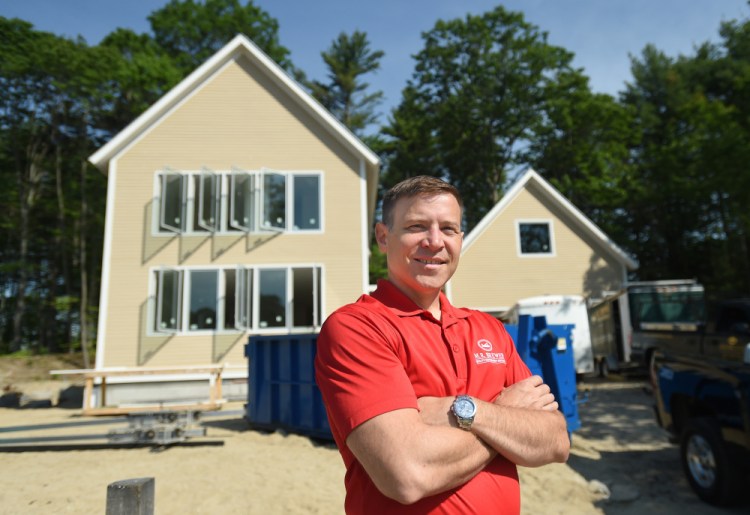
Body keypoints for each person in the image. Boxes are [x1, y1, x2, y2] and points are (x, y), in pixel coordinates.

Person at [314, 175, 570, 514]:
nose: (434, 242)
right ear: (383, 236)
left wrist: (468, 412)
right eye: (417, 226)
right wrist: (506, 417)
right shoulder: (357, 328)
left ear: (460, 239)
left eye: (448, 229)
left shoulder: (488, 329)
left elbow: (555, 440)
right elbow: (407, 475)